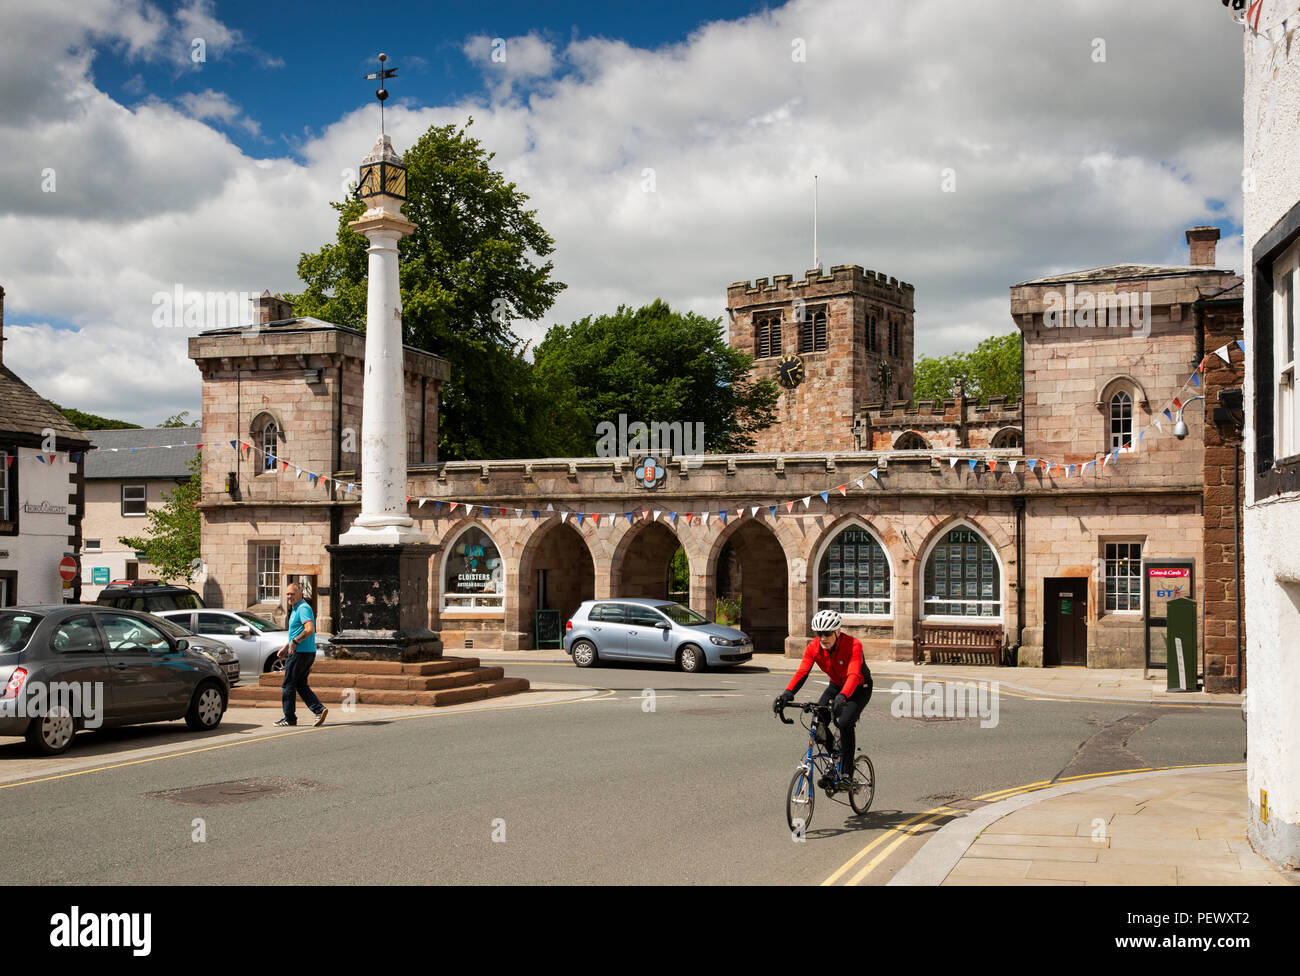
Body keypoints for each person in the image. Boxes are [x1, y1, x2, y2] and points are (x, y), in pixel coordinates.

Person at [773, 609, 872, 787]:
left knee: (844, 722)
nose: (823, 638)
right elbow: (802, 672)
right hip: (835, 686)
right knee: (817, 721)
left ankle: (847, 773)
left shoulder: (853, 645)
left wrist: (843, 697)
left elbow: (853, 675)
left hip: (859, 687)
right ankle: (835, 755)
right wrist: (787, 693)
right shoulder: (814, 647)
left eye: (827, 633)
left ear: (838, 632)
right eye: (819, 634)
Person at [274, 583, 328, 727]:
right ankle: (319, 710)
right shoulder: (296, 609)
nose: (289, 597)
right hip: (304, 652)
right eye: (287, 594)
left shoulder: (303, 608)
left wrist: (296, 642)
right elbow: (295, 632)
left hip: (300, 653)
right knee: (300, 685)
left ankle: (289, 718)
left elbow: (309, 629)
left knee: (288, 685)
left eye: (292, 594)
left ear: (300, 594)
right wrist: (286, 646)